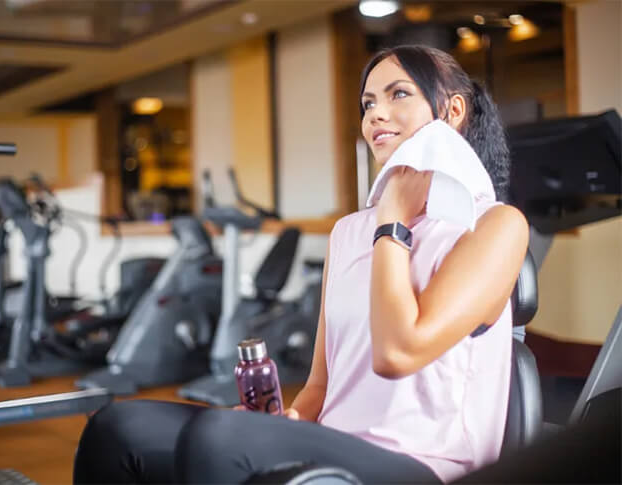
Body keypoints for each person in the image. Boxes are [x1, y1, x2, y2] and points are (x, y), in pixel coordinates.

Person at [73, 45, 529, 485]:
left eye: (398, 94)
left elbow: (397, 354)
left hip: (428, 463)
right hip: (336, 440)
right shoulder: (348, 233)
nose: (376, 114)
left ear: (452, 110)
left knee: (220, 437)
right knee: (120, 426)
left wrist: (393, 222)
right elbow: (320, 386)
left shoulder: (493, 225)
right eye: (368, 103)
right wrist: (289, 419)